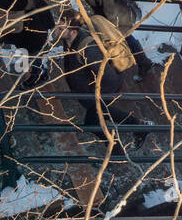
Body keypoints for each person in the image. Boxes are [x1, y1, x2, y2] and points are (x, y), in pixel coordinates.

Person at [54, 9, 149, 151]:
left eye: (61, 28)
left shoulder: (87, 48)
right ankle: (129, 137)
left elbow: (107, 76)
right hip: (89, 92)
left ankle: (123, 144)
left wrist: (97, 96)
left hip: (101, 90)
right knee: (97, 120)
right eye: (57, 26)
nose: (56, 30)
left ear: (74, 31)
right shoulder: (69, 40)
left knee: (94, 121)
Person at [62, 0, 154, 80]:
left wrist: (109, 30)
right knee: (126, 38)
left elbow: (111, 8)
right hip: (108, 14)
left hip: (116, 16)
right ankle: (142, 63)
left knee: (119, 41)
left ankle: (120, 71)